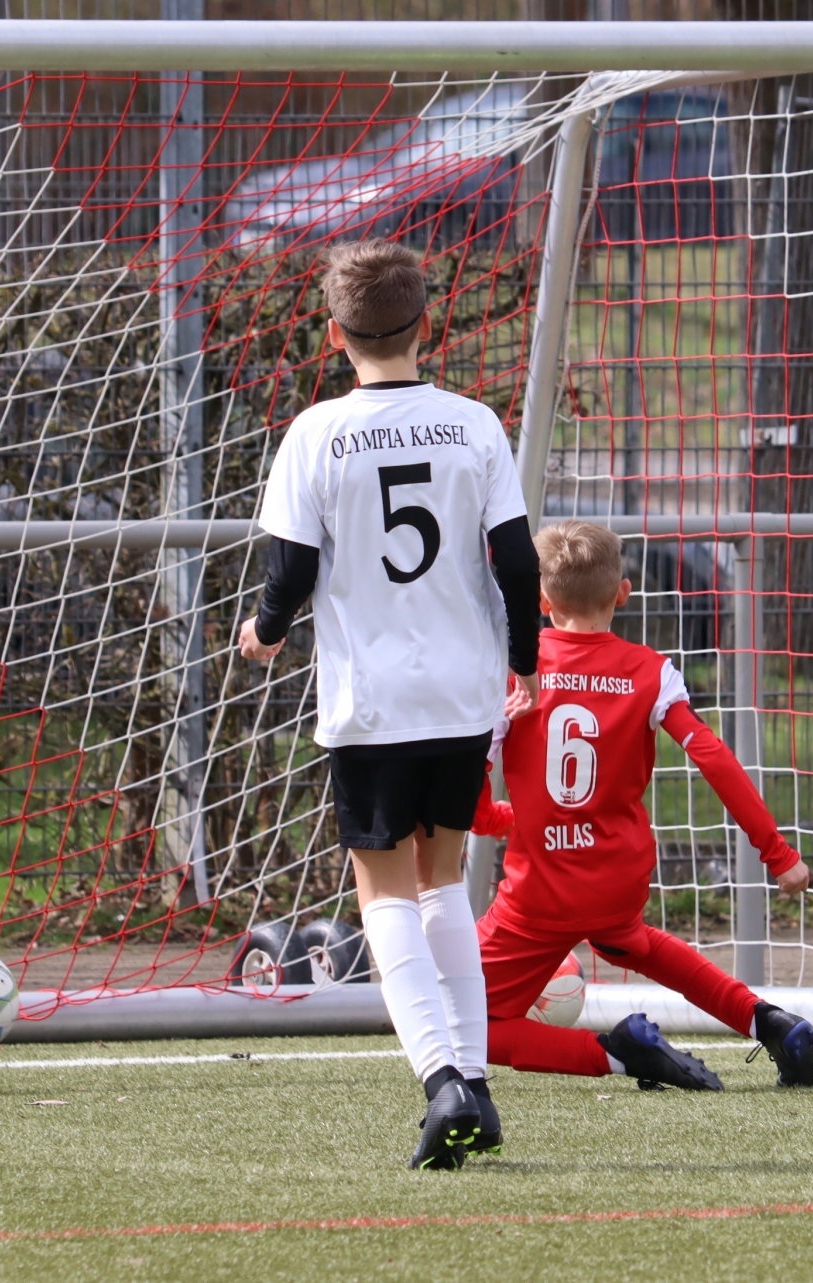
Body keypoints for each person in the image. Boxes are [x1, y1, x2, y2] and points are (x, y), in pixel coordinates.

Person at [238, 240, 541, 1169]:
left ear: (334, 335)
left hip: (373, 701)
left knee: (383, 893)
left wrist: (264, 630)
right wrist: (524, 663)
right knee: (444, 880)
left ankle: (441, 1078)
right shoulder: (473, 424)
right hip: (462, 693)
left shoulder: (316, 432)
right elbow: (516, 560)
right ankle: (475, 1082)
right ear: (428, 325)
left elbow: (291, 568)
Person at [466, 518, 813, 1118]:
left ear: (542, 601)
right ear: (623, 593)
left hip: (539, 893)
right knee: (630, 941)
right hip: (618, 880)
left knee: (452, 1022)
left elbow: (473, 786)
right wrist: (777, 854)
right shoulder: (652, 671)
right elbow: (713, 757)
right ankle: (770, 1022)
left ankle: (617, 1053)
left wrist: (500, 819)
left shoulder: (515, 672)